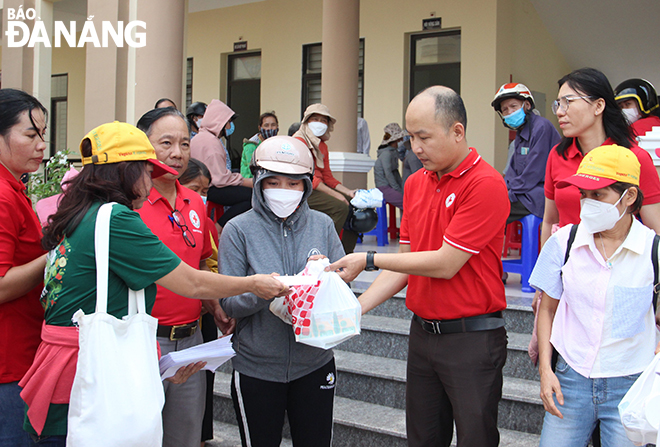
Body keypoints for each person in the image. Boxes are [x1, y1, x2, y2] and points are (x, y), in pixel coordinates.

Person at [17, 121, 289, 446]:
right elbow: (191, 283)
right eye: (147, 171)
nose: (151, 180)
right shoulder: (118, 219)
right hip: (88, 377)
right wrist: (253, 283)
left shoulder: (80, 213)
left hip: (67, 369)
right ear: (127, 172)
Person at [327, 86, 510, 447]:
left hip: (471, 338)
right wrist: (355, 309)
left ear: (457, 131)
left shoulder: (485, 184)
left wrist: (368, 259)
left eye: (423, 137)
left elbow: (445, 263)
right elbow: (406, 264)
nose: (415, 148)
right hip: (424, 335)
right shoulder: (415, 184)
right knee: (423, 438)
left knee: (476, 439)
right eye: (411, 137)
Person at [531, 144, 660, 447]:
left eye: (598, 195)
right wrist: (546, 371)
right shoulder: (564, 241)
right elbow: (547, 310)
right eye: (583, 195)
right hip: (570, 380)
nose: (587, 204)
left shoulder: (653, 251)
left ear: (629, 197)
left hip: (630, 383)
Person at [220, 135, 344, 447]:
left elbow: (344, 283)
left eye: (293, 184)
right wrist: (260, 290)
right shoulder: (238, 229)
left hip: (314, 363)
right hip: (257, 366)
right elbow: (229, 303)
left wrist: (323, 278)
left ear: (306, 186)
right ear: (258, 183)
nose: (283, 192)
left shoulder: (323, 225)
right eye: (273, 182)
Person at [136, 108, 226, 447]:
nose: (177, 153)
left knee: (186, 437)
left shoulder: (195, 202)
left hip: (190, 343)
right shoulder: (129, 204)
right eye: (166, 143)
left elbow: (203, 262)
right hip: (143, 341)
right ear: (142, 145)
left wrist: (215, 308)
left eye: (185, 143)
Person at [542, 68, 660, 246]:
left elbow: (655, 228)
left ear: (598, 106)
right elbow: (550, 220)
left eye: (568, 102)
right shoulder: (558, 155)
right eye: (558, 104)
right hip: (569, 264)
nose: (559, 111)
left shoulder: (635, 158)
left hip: (618, 264)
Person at [0, 89, 48, 447]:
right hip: (9, 360)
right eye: (30, 135)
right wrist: (58, 253)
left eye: (43, 135)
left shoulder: (13, 188)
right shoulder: (2, 195)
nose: (41, 145)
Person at [176, 158, 218, 447]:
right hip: (164, 325)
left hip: (200, 318)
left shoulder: (204, 219)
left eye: (206, 190)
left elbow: (206, 263)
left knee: (193, 410)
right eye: (195, 188)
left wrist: (214, 304)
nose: (202, 196)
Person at [293, 104, 359, 254]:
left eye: (323, 120)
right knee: (340, 207)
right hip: (303, 189)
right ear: (306, 121)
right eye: (315, 119)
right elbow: (311, 178)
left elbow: (328, 177)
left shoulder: (321, 145)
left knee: (356, 207)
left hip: (318, 188)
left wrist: (348, 193)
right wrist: (336, 196)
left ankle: (345, 253)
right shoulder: (300, 141)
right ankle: (325, 250)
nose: (319, 123)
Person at [491, 83, 561, 223]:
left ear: (527, 105)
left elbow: (533, 174)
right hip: (524, 193)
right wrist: (500, 190)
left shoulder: (542, 128)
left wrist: (507, 195)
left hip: (538, 196)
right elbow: (512, 171)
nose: (509, 112)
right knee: (487, 203)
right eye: (505, 109)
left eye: (513, 106)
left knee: (491, 210)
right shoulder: (521, 133)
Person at [191, 99, 253, 229]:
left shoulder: (199, 137)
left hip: (203, 186)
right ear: (220, 122)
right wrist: (246, 181)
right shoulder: (212, 143)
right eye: (228, 122)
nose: (230, 127)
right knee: (252, 198)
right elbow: (221, 179)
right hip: (212, 188)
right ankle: (218, 227)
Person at [374, 122, 405, 210]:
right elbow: (388, 173)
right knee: (406, 203)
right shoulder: (386, 154)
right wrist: (397, 189)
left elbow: (395, 172)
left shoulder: (393, 152)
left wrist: (401, 188)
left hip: (391, 186)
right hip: (384, 187)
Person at [240, 111, 279, 178]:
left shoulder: (277, 144)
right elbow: (252, 170)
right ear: (260, 128)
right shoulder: (251, 146)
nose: (270, 128)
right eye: (266, 125)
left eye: (273, 125)